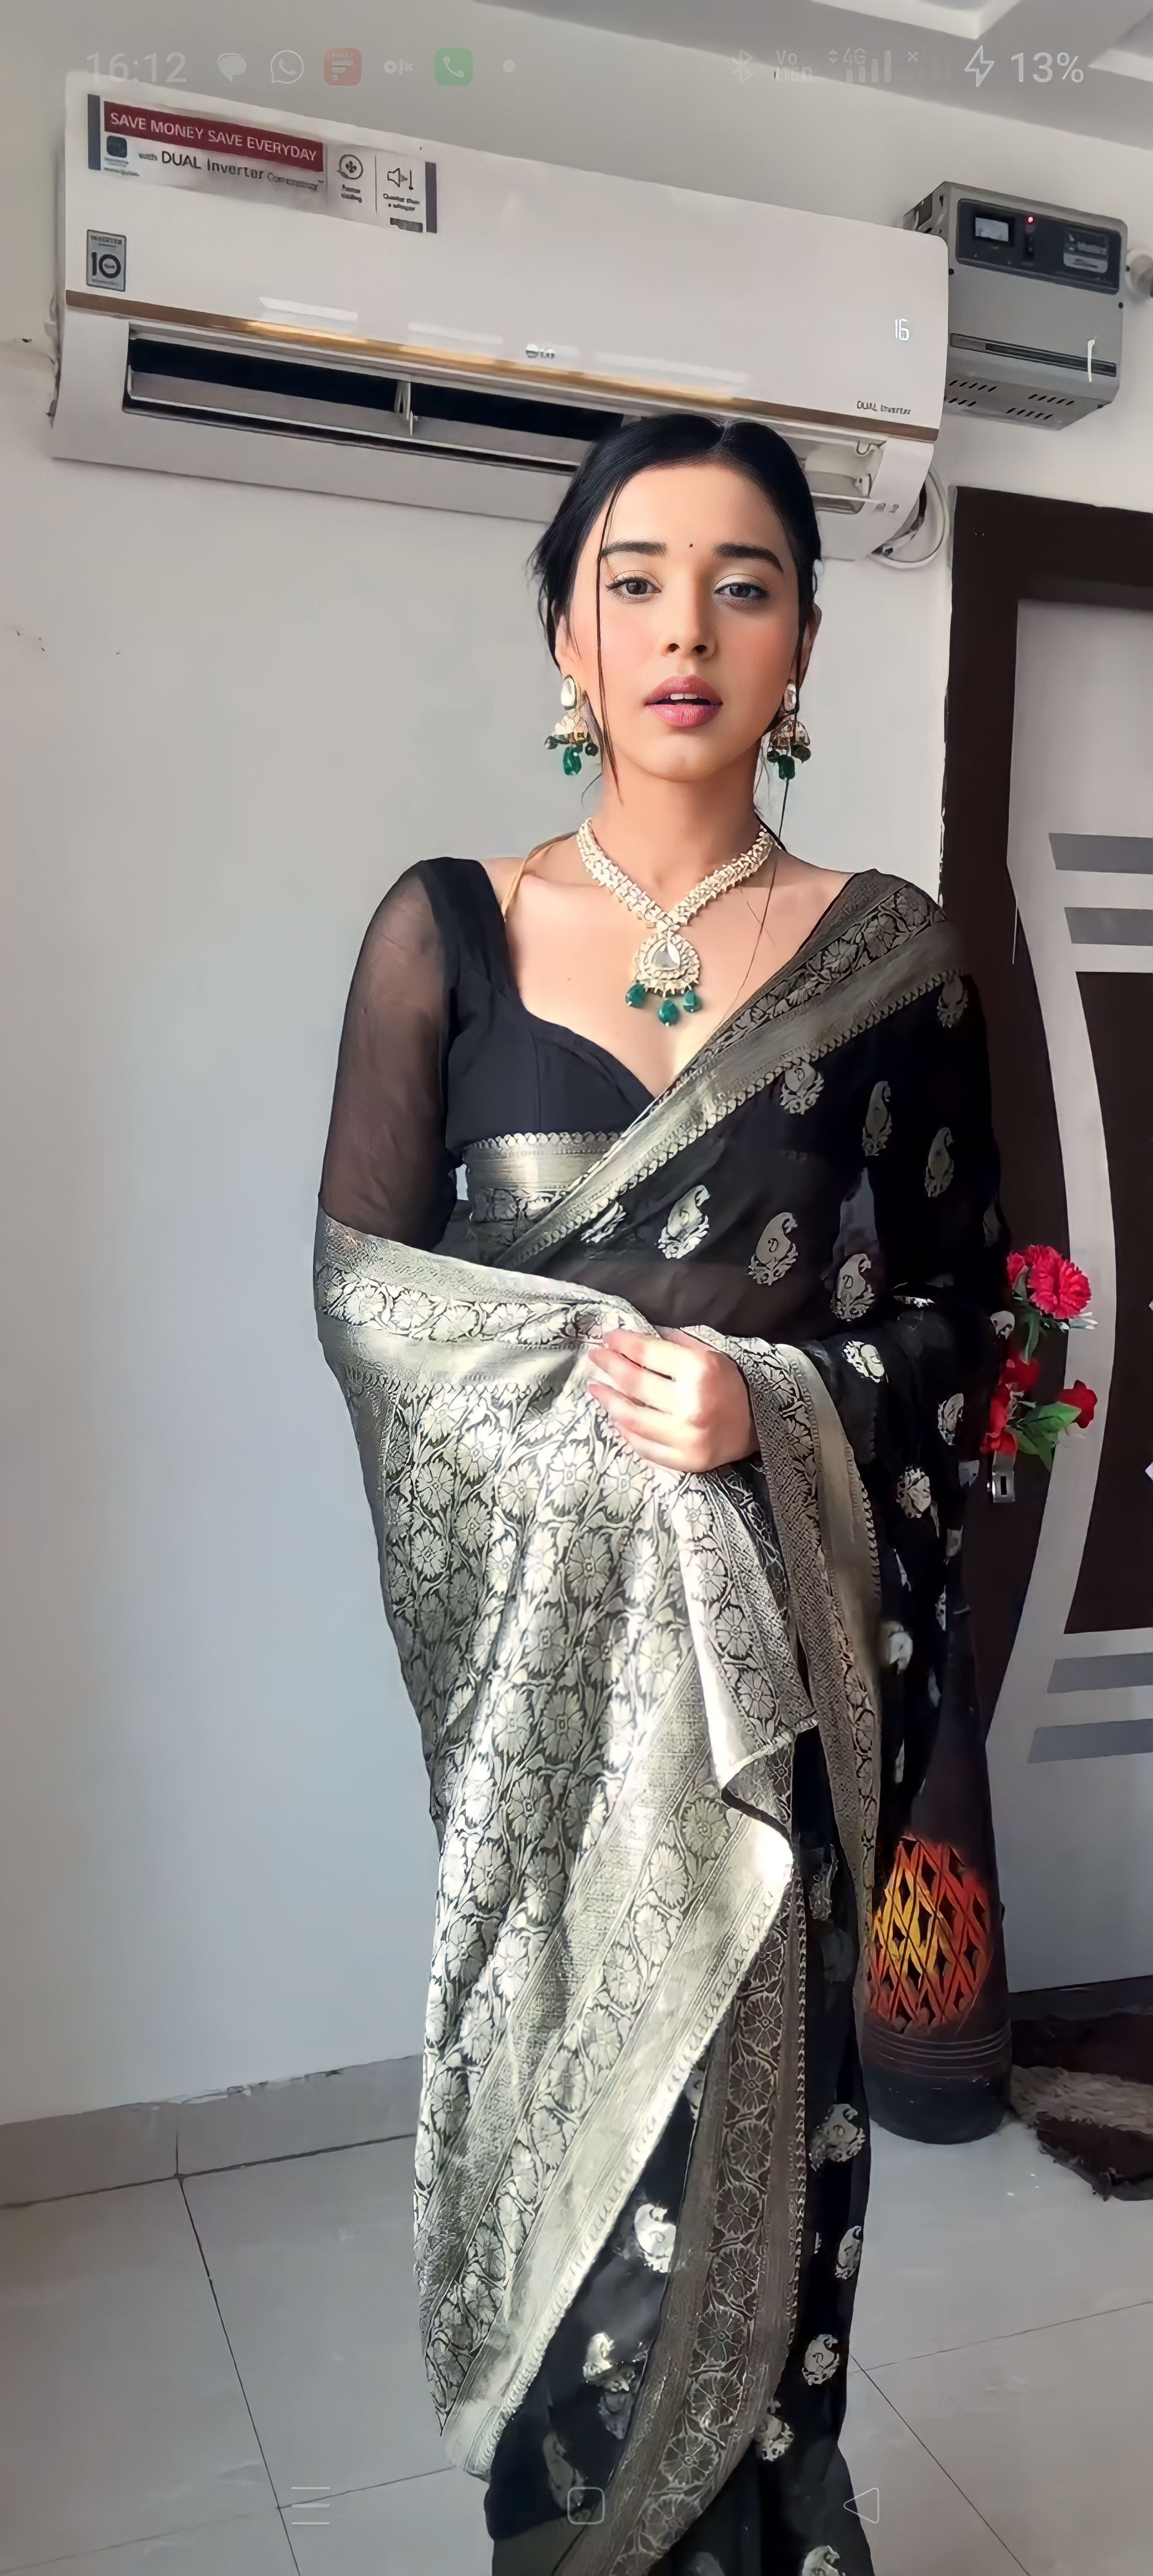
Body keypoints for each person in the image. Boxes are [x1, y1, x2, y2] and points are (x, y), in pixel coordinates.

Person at [315, 413, 1008, 2576]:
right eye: (634, 580)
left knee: (756, 2176)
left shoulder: (890, 963)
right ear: (569, 636)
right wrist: (584, 1425)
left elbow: (972, 1328)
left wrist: (772, 1405)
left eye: (744, 582)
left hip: (769, 1710)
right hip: (552, 1716)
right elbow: (371, 1311)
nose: (685, 627)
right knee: (572, 2162)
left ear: (801, 648)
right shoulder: (448, 932)